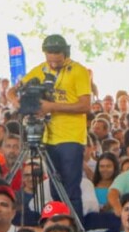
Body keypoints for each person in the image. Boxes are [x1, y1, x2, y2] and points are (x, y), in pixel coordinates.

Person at [19, 35, 92, 219]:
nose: (52, 60)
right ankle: (57, 225)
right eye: (49, 55)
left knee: (70, 188)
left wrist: (52, 107)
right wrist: (20, 104)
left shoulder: (78, 70)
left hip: (71, 137)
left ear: (65, 52)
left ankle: (74, 230)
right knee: (54, 188)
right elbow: (14, 90)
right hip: (47, 136)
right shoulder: (39, 70)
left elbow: (85, 105)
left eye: (56, 56)